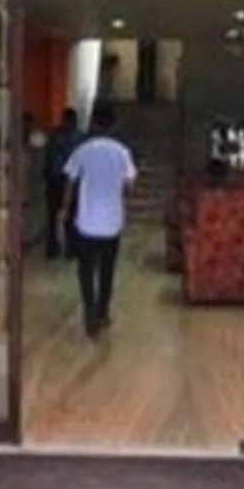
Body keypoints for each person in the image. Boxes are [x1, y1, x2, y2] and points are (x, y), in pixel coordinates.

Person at [61, 102, 136, 336]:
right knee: (107, 270)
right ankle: (103, 312)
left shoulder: (82, 150)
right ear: (114, 124)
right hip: (112, 223)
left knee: (85, 270)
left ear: (93, 123)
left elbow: (70, 183)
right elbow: (130, 185)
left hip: (86, 222)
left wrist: (64, 209)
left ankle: (89, 314)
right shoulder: (122, 153)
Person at [43, 106, 81, 260]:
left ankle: (54, 248)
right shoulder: (78, 138)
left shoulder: (55, 136)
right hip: (69, 180)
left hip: (56, 179)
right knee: (70, 216)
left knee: (55, 215)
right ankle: (69, 249)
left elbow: (49, 159)